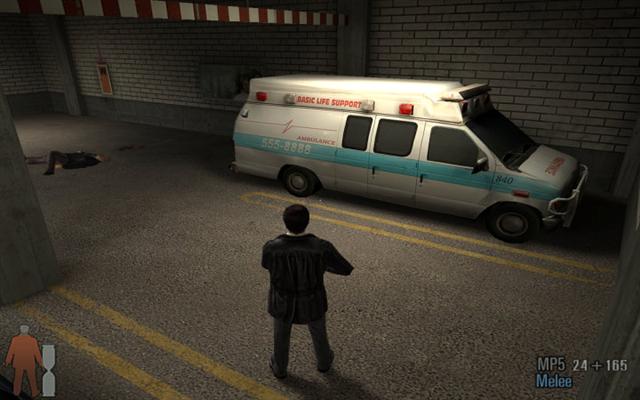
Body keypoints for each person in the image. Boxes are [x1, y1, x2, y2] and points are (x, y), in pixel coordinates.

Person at [262, 204, 353, 379]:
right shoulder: (321, 246)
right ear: (307, 222)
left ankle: (280, 367)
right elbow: (344, 268)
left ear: (285, 222)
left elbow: (266, 265)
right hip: (313, 299)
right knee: (319, 332)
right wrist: (321, 266)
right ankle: (324, 362)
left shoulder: (272, 247)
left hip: (282, 300)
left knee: (281, 335)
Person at [3, 325, 43, 397]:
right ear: (27, 331)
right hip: (29, 362)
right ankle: (34, 392)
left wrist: (7, 361)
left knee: (17, 378)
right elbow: (36, 352)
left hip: (19, 362)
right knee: (32, 378)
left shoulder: (15, 339)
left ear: (21, 331)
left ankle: (16, 392)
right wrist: (40, 363)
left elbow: (11, 351)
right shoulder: (32, 340)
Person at [43, 151, 109, 175]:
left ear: (102, 160)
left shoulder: (93, 161)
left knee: (52, 153)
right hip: (68, 157)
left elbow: (78, 165)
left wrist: (63, 166)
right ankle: (50, 167)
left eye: (102, 157)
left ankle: (50, 170)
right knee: (49, 157)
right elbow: (84, 154)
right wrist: (80, 152)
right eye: (102, 155)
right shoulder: (94, 156)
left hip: (68, 160)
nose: (100, 155)